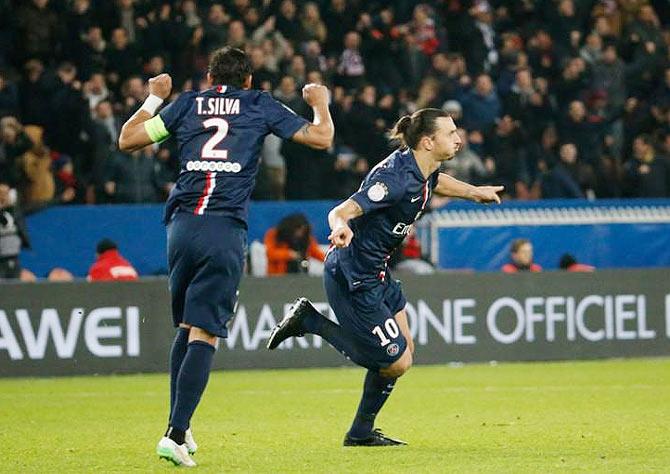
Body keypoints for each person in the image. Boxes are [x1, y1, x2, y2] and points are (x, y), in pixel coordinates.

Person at [118, 46, 334, 466]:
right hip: (223, 228)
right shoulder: (258, 104)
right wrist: (320, 104)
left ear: (211, 79)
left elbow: (128, 139)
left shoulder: (188, 105)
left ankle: (176, 425)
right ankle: (176, 435)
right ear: (248, 80)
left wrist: (154, 97)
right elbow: (321, 138)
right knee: (205, 332)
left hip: (180, 226)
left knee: (187, 326)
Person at [267, 108, 503, 446]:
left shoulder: (422, 167)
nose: (459, 139)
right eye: (450, 133)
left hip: (377, 271)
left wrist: (474, 191)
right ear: (427, 141)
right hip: (353, 274)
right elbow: (342, 211)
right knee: (392, 360)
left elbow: (436, 182)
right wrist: (341, 228)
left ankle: (361, 433)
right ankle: (309, 321)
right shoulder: (393, 180)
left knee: (404, 355)